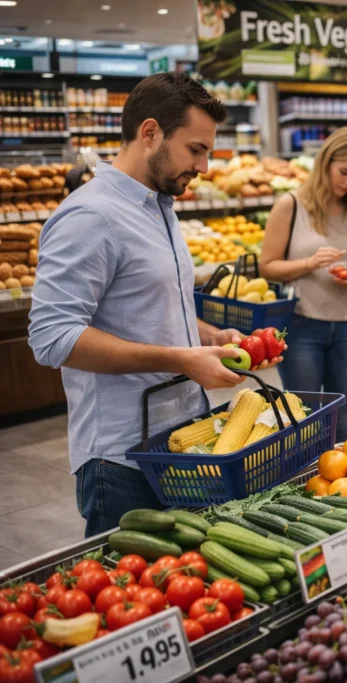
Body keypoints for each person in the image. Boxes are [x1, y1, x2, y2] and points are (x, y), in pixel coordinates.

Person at [28, 73, 251, 536]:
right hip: (122, 458)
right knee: (129, 598)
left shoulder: (159, 206)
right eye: (196, 149)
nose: (205, 166)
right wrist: (180, 360)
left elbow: (151, 303)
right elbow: (52, 338)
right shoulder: (90, 216)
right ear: (150, 133)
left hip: (179, 439)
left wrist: (208, 337)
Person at [259, 127, 347, 441]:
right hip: (302, 326)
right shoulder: (291, 205)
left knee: (341, 422)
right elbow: (267, 266)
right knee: (305, 422)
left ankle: (336, 486)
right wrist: (309, 263)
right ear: (325, 162)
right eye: (344, 172)